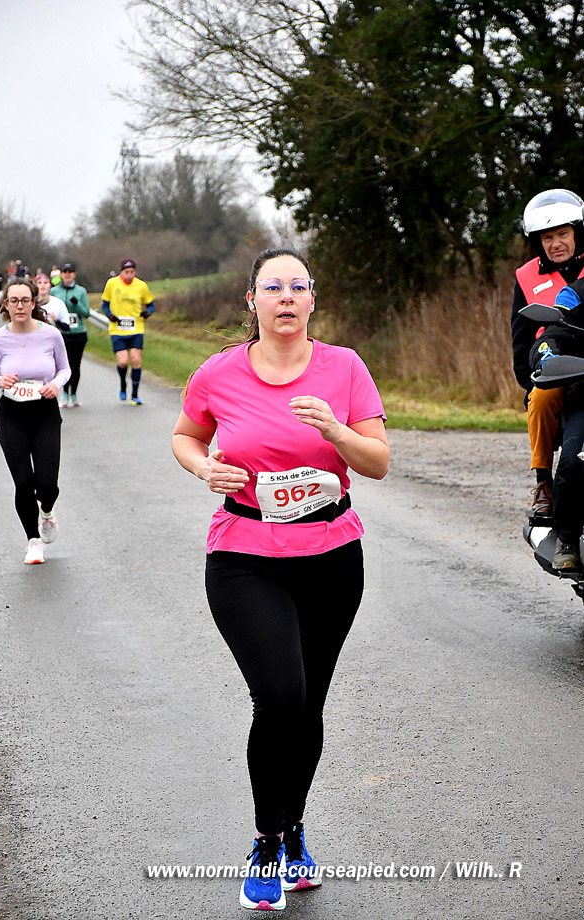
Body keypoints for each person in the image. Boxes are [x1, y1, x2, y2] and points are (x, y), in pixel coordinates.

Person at [171, 248, 390, 910]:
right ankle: (267, 842)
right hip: (244, 556)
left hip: (330, 556)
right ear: (253, 300)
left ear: (313, 299)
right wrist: (204, 468)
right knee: (279, 694)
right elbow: (185, 437)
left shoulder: (344, 368)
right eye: (273, 287)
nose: (286, 296)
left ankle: (293, 832)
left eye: (298, 286)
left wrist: (335, 432)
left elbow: (377, 462)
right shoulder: (218, 373)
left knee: (308, 704)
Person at [0, 279, 70, 565]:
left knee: (48, 483)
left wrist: (55, 384)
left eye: (25, 300)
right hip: (12, 415)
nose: (19, 306)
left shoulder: (51, 334)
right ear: (5, 305)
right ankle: (33, 541)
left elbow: (64, 369)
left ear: (34, 303)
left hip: (45, 413)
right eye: (13, 300)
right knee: (23, 482)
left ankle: (46, 511)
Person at [511, 189, 584, 521]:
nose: (556, 243)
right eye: (548, 237)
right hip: (551, 368)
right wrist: (531, 381)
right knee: (540, 396)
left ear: (576, 233)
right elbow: (520, 340)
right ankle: (543, 482)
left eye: (563, 234)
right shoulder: (526, 276)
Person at [531, 276, 584, 570]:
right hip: (583, 396)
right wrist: (548, 356)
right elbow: (553, 334)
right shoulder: (575, 294)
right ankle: (568, 539)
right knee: (573, 460)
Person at [101, 259, 155, 405]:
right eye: (126, 272)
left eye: (132, 272)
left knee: (136, 360)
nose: (129, 275)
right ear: (121, 272)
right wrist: (109, 315)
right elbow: (105, 304)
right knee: (123, 361)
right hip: (117, 329)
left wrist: (147, 313)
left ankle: (135, 394)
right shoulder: (112, 283)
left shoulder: (141, 285)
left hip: (136, 328)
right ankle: (123, 384)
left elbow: (151, 304)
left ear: (135, 272)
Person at [49, 263, 90, 408]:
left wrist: (77, 304)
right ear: (61, 274)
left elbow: (86, 313)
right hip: (62, 333)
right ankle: (65, 393)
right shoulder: (54, 291)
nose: (67, 274)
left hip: (78, 333)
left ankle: (74, 393)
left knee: (76, 364)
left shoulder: (81, 291)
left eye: (70, 272)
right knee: (65, 364)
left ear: (74, 274)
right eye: (65, 272)